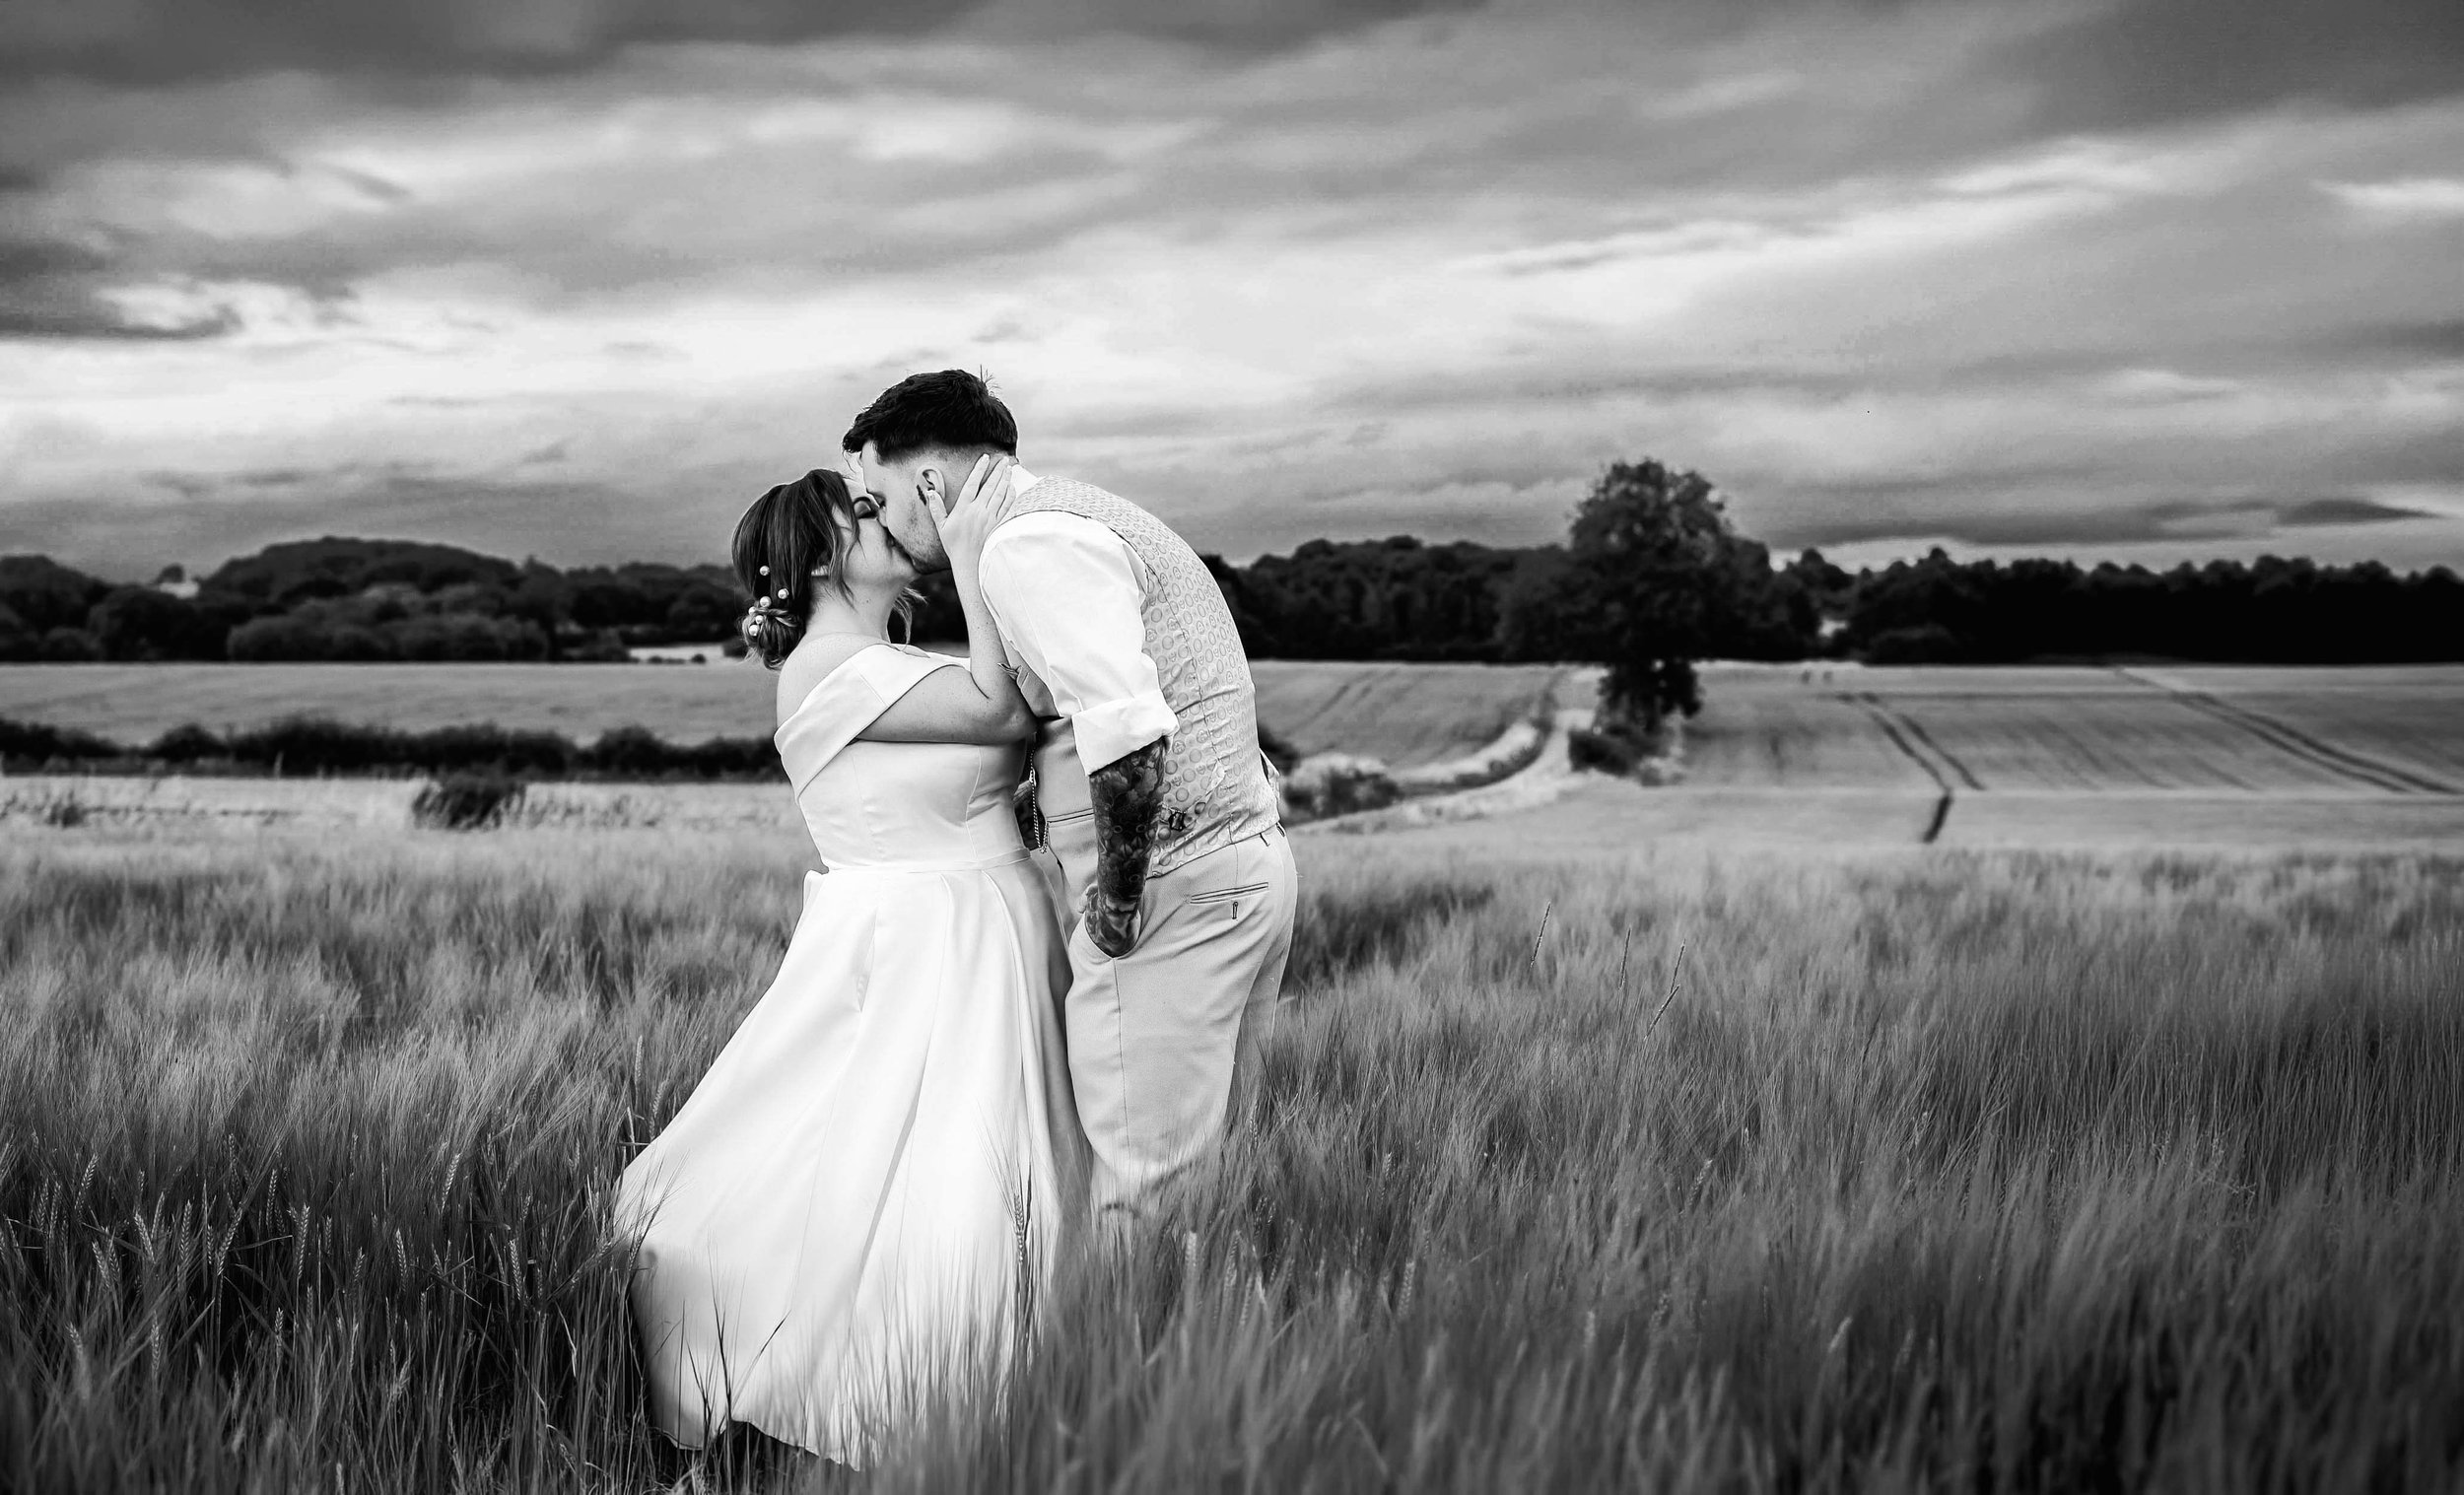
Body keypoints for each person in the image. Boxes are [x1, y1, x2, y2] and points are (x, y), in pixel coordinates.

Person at [614, 466, 1085, 1465]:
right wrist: (971, 551)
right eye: (864, 512)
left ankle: (1023, 1389)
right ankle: (928, 1395)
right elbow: (1003, 714)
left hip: (987, 921)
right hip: (926, 937)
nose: (890, 519)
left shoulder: (884, 652)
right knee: (939, 1165)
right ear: (824, 553)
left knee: (986, 1153)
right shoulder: (826, 664)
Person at [845, 370, 1297, 1231]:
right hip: (1238, 869)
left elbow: (1129, 731)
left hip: (1171, 892)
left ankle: (1126, 1369)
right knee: (1202, 1185)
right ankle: (1196, 1360)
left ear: (930, 483)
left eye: (882, 496)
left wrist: (1118, 908)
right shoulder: (1080, 514)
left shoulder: (1026, 547)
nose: (886, 522)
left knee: (1143, 1193)